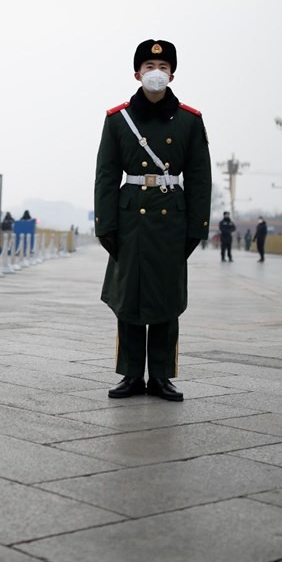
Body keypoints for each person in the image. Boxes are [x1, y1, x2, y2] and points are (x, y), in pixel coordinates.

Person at [94, 39, 212, 402]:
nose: (155, 73)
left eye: (161, 68)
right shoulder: (118, 119)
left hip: (170, 221)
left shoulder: (190, 120)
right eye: (148, 67)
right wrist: (105, 225)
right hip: (130, 219)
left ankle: (161, 376)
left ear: (172, 74)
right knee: (128, 298)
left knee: (165, 298)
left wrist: (196, 228)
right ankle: (131, 374)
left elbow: (199, 176)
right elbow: (106, 174)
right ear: (137, 74)